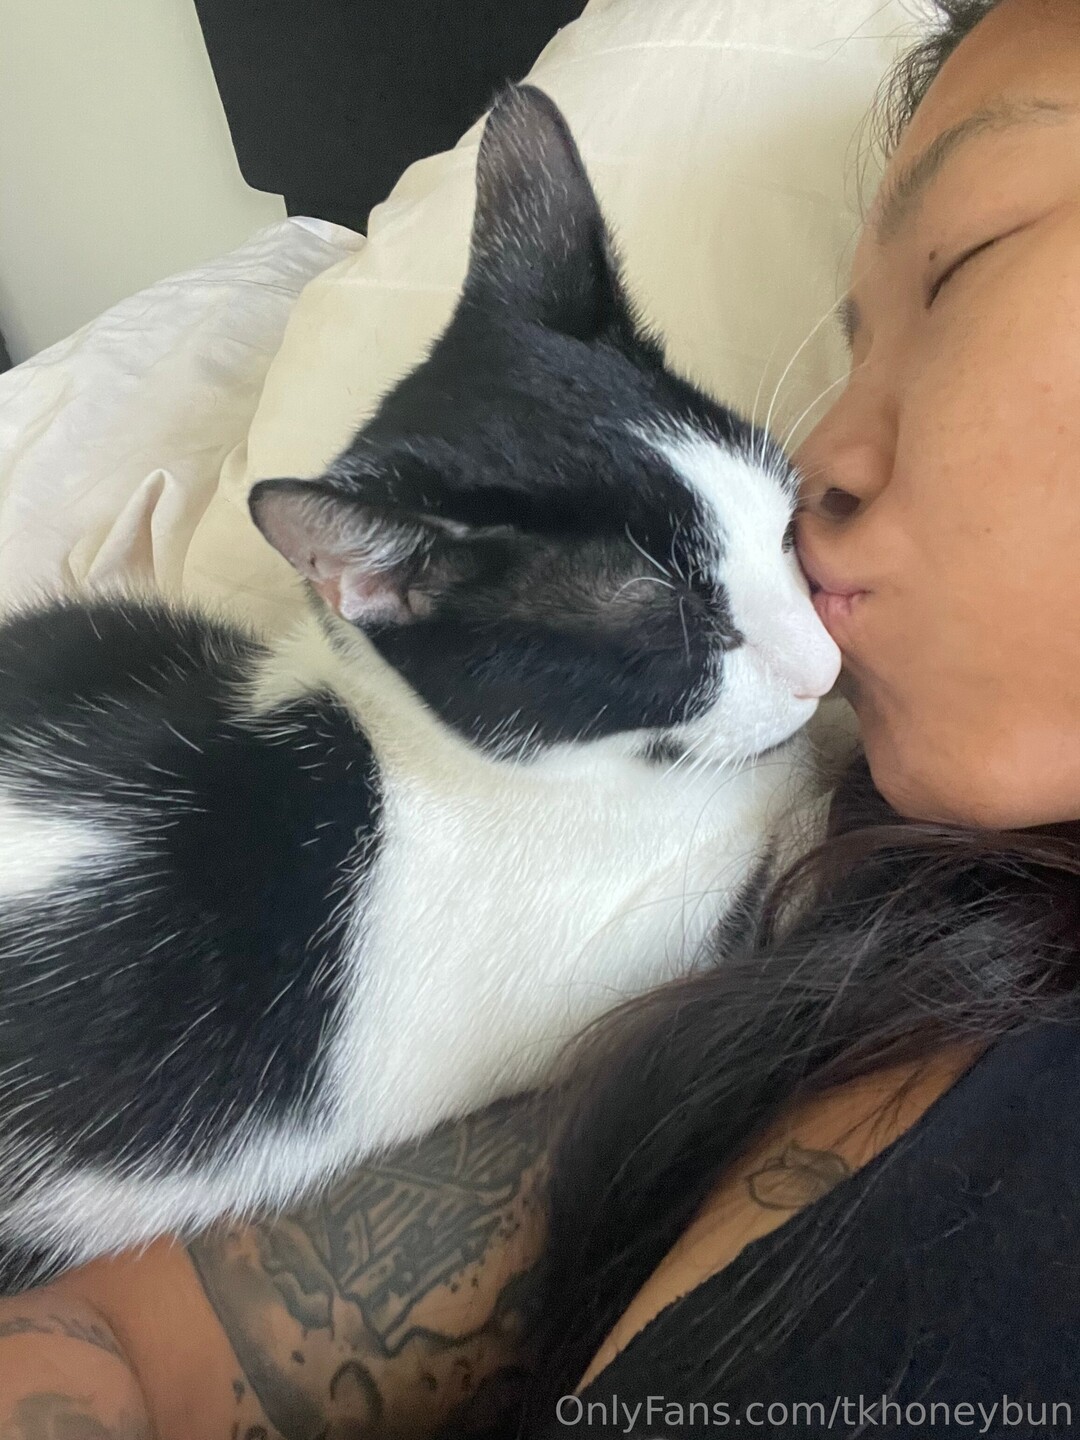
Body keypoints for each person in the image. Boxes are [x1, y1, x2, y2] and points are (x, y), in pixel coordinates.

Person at [2, 0, 1078, 1434]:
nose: (820, 448)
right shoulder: (883, 930)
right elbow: (108, 1353)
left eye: (963, 263)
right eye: (849, 341)